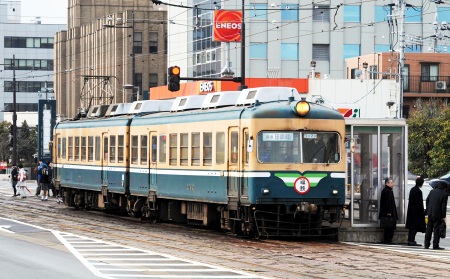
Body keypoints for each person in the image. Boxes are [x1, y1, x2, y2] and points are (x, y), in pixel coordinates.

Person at [424, 181, 448, 250]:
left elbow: (427, 200)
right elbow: (443, 206)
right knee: (436, 230)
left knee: (429, 229)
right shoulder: (444, 194)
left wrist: (428, 209)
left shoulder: (432, 191)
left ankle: (426, 244)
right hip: (437, 215)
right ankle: (435, 245)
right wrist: (443, 216)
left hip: (430, 213)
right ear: (444, 188)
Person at [405, 176, 426, 246]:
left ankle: (410, 239)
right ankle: (411, 240)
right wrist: (422, 212)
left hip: (411, 211)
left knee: (412, 227)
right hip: (416, 212)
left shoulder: (412, 189)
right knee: (415, 227)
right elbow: (419, 203)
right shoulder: (418, 192)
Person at [379, 178, 398, 244]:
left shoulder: (387, 190)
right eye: (391, 183)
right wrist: (389, 212)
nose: (392, 184)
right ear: (387, 183)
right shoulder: (387, 191)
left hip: (388, 212)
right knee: (389, 227)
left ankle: (388, 239)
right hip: (388, 213)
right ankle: (388, 239)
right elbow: (387, 203)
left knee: (389, 227)